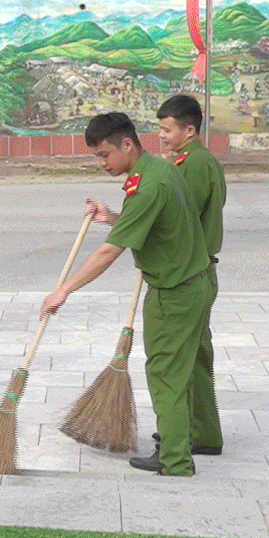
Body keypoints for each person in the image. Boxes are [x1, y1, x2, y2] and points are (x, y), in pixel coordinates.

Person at [41, 112, 211, 477]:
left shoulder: (150, 184)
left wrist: (63, 291)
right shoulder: (159, 172)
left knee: (165, 374)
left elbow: (107, 253)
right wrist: (112, 216)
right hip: (188, 283)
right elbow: (149, 219)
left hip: (175, 292)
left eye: (104, 155)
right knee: (176, 372)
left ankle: (175, 460)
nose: (101, 164)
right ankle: (176, 438)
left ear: (127, 145)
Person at [153, 95, 225, 464]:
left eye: (167, 130)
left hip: (190, 273)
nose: (162, 137)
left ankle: (177, 439)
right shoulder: (189, 161)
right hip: (200, 269)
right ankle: (203, 433)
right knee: (196, 358)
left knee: (175, 363)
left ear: (190, 130)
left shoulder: (196, 165)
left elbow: (178, 218)